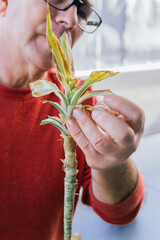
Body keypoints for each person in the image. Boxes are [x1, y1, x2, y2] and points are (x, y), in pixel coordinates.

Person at [0, 0, 145, 239]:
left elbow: (122, 212)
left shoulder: (78, 103)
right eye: (57, 0)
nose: (71, 20)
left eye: (83, 11)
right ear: (4, 3)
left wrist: (114, 160)